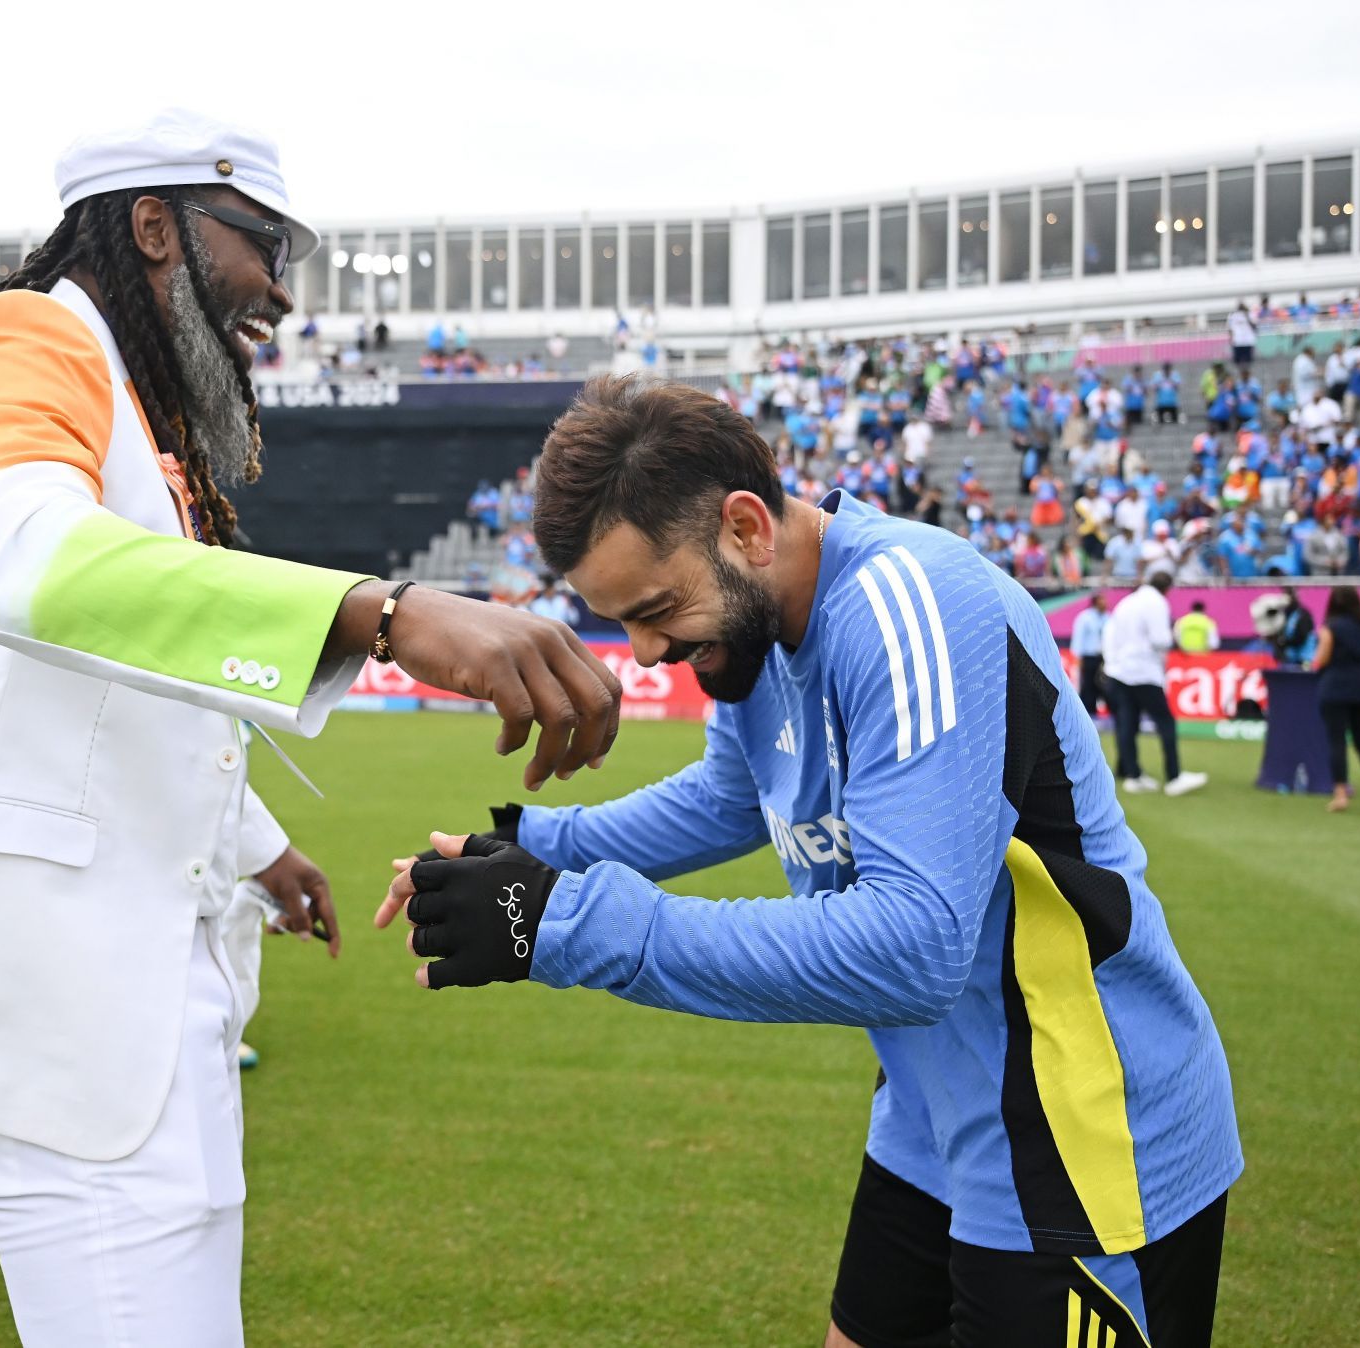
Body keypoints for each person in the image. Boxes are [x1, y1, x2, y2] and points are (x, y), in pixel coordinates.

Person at [0, 108, 622, 1347]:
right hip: (56, 1004)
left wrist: (254, 839)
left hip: (146, 983)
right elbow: (30, 570)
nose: (280, 290)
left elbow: (130, 674)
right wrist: (381, 611)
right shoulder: (19, 337)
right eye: (263, 243)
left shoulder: (134, 406)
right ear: (155, 226)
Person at [378, 376, 1239, 1348]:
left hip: (1081, 1133)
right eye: (625, 622)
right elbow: (728, 798)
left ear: (747, 527)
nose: (648, 651)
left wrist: (564, 923)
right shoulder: (754, 630)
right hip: (931, 1113)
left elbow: (913, 946)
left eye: (658, 609)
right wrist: (527, 849)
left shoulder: (910, 605)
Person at [1103, 570, 1208, 796]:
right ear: (1168, 587)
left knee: (1128, 723)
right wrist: (1174, 638)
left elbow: (1110, 634)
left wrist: (1113, 663)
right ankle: (1174, 776)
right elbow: (1160, 639)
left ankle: (1133, 775)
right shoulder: (1157, 603)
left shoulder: (1127, 602)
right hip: (1144, 672)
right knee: (1165, 722)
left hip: (1120, 670)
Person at [1311, 586, 1360, 812]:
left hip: (1335, 688)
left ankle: (1340, 794)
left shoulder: (1330, 628)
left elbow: (1321, 659)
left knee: (1337, 742)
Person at [1070, 590, 1109, 718]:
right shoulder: (1085, 617)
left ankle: (1109, 712)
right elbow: (1078, 637)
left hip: (1104, 657)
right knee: (1088, 685)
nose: (1105, 603)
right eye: (1102, 600)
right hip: (1089, 656)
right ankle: (1088, 713)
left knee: (1104, 685)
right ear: (1095, 602)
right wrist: (1078, 656)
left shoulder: (1108, 617)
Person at [1227, 300, 1257, 377]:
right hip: (1237, 342)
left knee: (1248, 361)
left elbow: (1254, 326)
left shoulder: (1250, 314)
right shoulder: (1232, 315)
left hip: (1248, 342)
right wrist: (1231, 340)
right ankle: (1240, 374)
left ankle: (1247, 374)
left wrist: (1246, 315)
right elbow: (1230, 329)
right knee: (1237, 361)